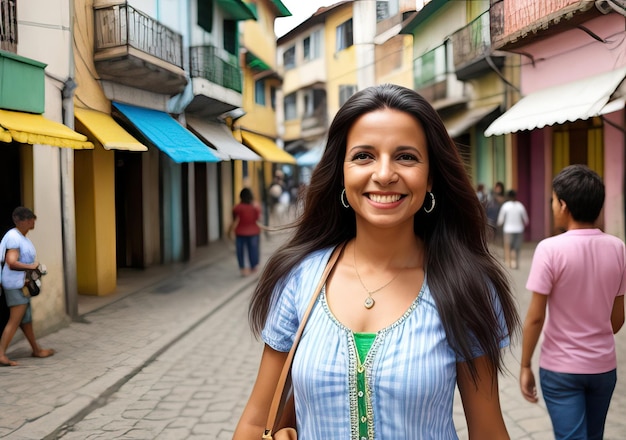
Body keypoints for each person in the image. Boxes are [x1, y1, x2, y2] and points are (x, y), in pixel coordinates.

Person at [233, 84, 519, 439]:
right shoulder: (299, 279)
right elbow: (254, 421)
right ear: (341, 171)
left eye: (406, 157)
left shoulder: (466, 285)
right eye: (364, 156)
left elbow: (488, 431)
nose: (384, 174)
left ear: (430, 177)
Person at [520, 164, 625, 440]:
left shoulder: (549, 249)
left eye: (553, 200)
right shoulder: (618, 248)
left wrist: (524, 365)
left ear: (563, 206)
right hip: (603, 368)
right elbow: (617, 321)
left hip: (560, 369)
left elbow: (534, 317)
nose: (552, 206)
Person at [0, 207, 54, 366]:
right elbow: (11, 262)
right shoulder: (14, 237)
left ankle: (36, 350)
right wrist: (33, 267)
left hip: (22, 285)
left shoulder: (22, 237)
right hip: (15, 285)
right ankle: (1, 354)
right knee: (15, 320)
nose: (33, 221)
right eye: (30, 219)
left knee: (26, 319)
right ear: (22, 221)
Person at [229, 188, 262, 277]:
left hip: (240, 231)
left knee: (240, 251)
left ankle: (242, 268)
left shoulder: (237, 207)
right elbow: (258, 218)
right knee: (253, 250)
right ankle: (253, 267)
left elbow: (234, 218)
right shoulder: (256, 207)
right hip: (253, 231)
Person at [497, 189, 529, 269]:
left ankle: (508, 262)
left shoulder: (505, 206)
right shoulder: (520, 206)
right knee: (516, 247)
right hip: (519, 230)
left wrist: (499, 225)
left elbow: (500, 220)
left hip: (508, 230)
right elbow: (526, 220)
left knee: (508, 246)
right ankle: (515, 262)